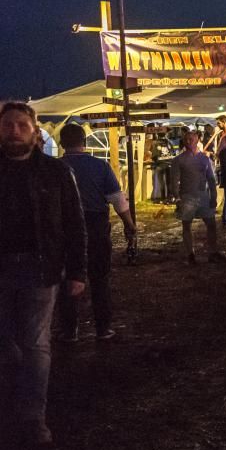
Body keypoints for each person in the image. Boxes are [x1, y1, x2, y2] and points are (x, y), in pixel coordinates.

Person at [0, 103, 86, 447]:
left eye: (22, 125)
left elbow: (74, 223)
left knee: (36, 345)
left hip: (40, 269)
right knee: (7, 345)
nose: (14, 131)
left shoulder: (56, 172)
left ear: (35, 132)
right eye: (8, 125)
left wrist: (77, 271)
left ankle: (33, 417)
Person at [56, 124, 136, 342]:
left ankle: (69, 330)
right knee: (100, 278)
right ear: (84, 142)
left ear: (62, 143)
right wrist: (129, 224)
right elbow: (118, 200)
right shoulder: (100, 166)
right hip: (96, 227)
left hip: (64, 231)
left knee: (67, 278)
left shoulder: (56, 167)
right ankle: (103, 328)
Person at [170, 130, 226, 265]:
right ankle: (190, 254)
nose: (188, 141)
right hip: (187, 196)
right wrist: (177, 198)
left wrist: (213, 196)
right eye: (186, 139)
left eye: (191, 139)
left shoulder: (204, 159)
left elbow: (211, 179)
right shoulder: (179, 160)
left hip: (203, 196)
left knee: (211, 224)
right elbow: (174, 181)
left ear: (197, 141)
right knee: (187, 225)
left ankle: (212, 252)